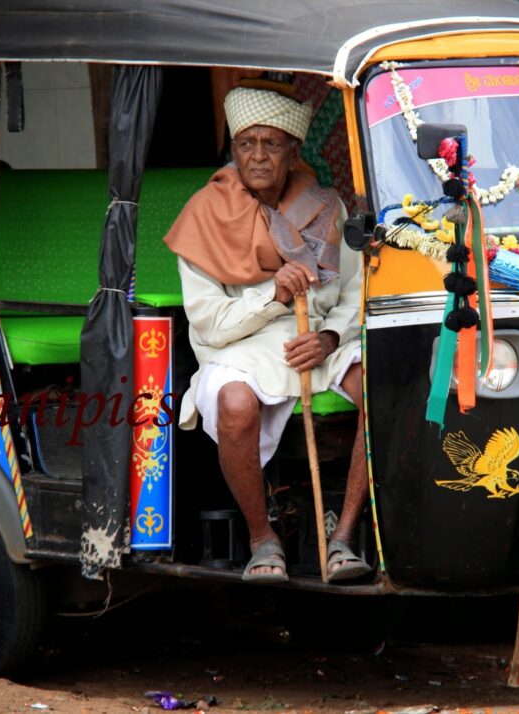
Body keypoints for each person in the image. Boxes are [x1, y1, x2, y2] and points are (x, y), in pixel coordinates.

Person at [164, 87, 371, 583]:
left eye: (271, 144)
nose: (257, 155)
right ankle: (262, 540)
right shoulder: (203, 216)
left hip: (318, 339)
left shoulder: (324, 206)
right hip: (238, 347)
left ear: (293, 151)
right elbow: (209, 322)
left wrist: (329, 341)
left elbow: (355, 291)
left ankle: (344, 535)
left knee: (384, 389)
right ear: (232, 150)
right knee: (235, 404)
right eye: (246, 144)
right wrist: (272, 297)